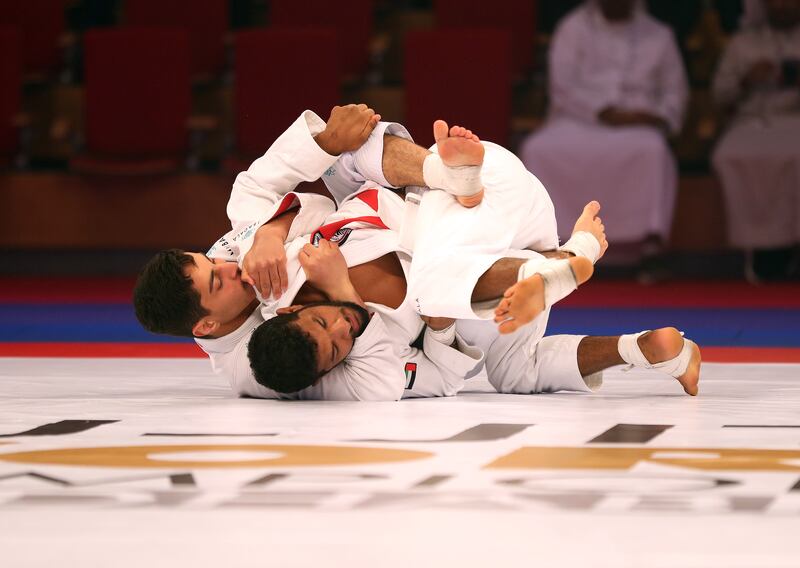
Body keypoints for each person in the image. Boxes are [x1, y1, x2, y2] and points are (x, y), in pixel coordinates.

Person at [248, 123, 701, 401]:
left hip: (482, 189)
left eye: (324, 325)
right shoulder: (371, 367)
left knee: (349, 148)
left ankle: (461, 181)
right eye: (335, 350)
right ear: (331, 371)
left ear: (289, 310)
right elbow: (443, 378)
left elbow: (268, 198)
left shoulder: (280, 268)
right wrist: (435, 324)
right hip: (514, 247)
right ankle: (650, 349)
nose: (343, 331)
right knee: (511, 371)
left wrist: (269, 232)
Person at [518, 0, 688, 269]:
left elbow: (674, 93)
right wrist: (603, 113)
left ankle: (645, 246)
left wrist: (654, 116)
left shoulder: (659, 35)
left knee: (653, 149)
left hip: (637, 125)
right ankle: (549, 244)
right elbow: (562, 87)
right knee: (538, 149)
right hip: (577, 120)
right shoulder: (573, 28)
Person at [711, 0, 800, 281]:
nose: (783, 6)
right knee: (730, 156)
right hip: (750, 123)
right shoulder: (742, 44)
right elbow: (719, 97)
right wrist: (747, 80)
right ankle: (759, 251)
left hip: (795, 121)